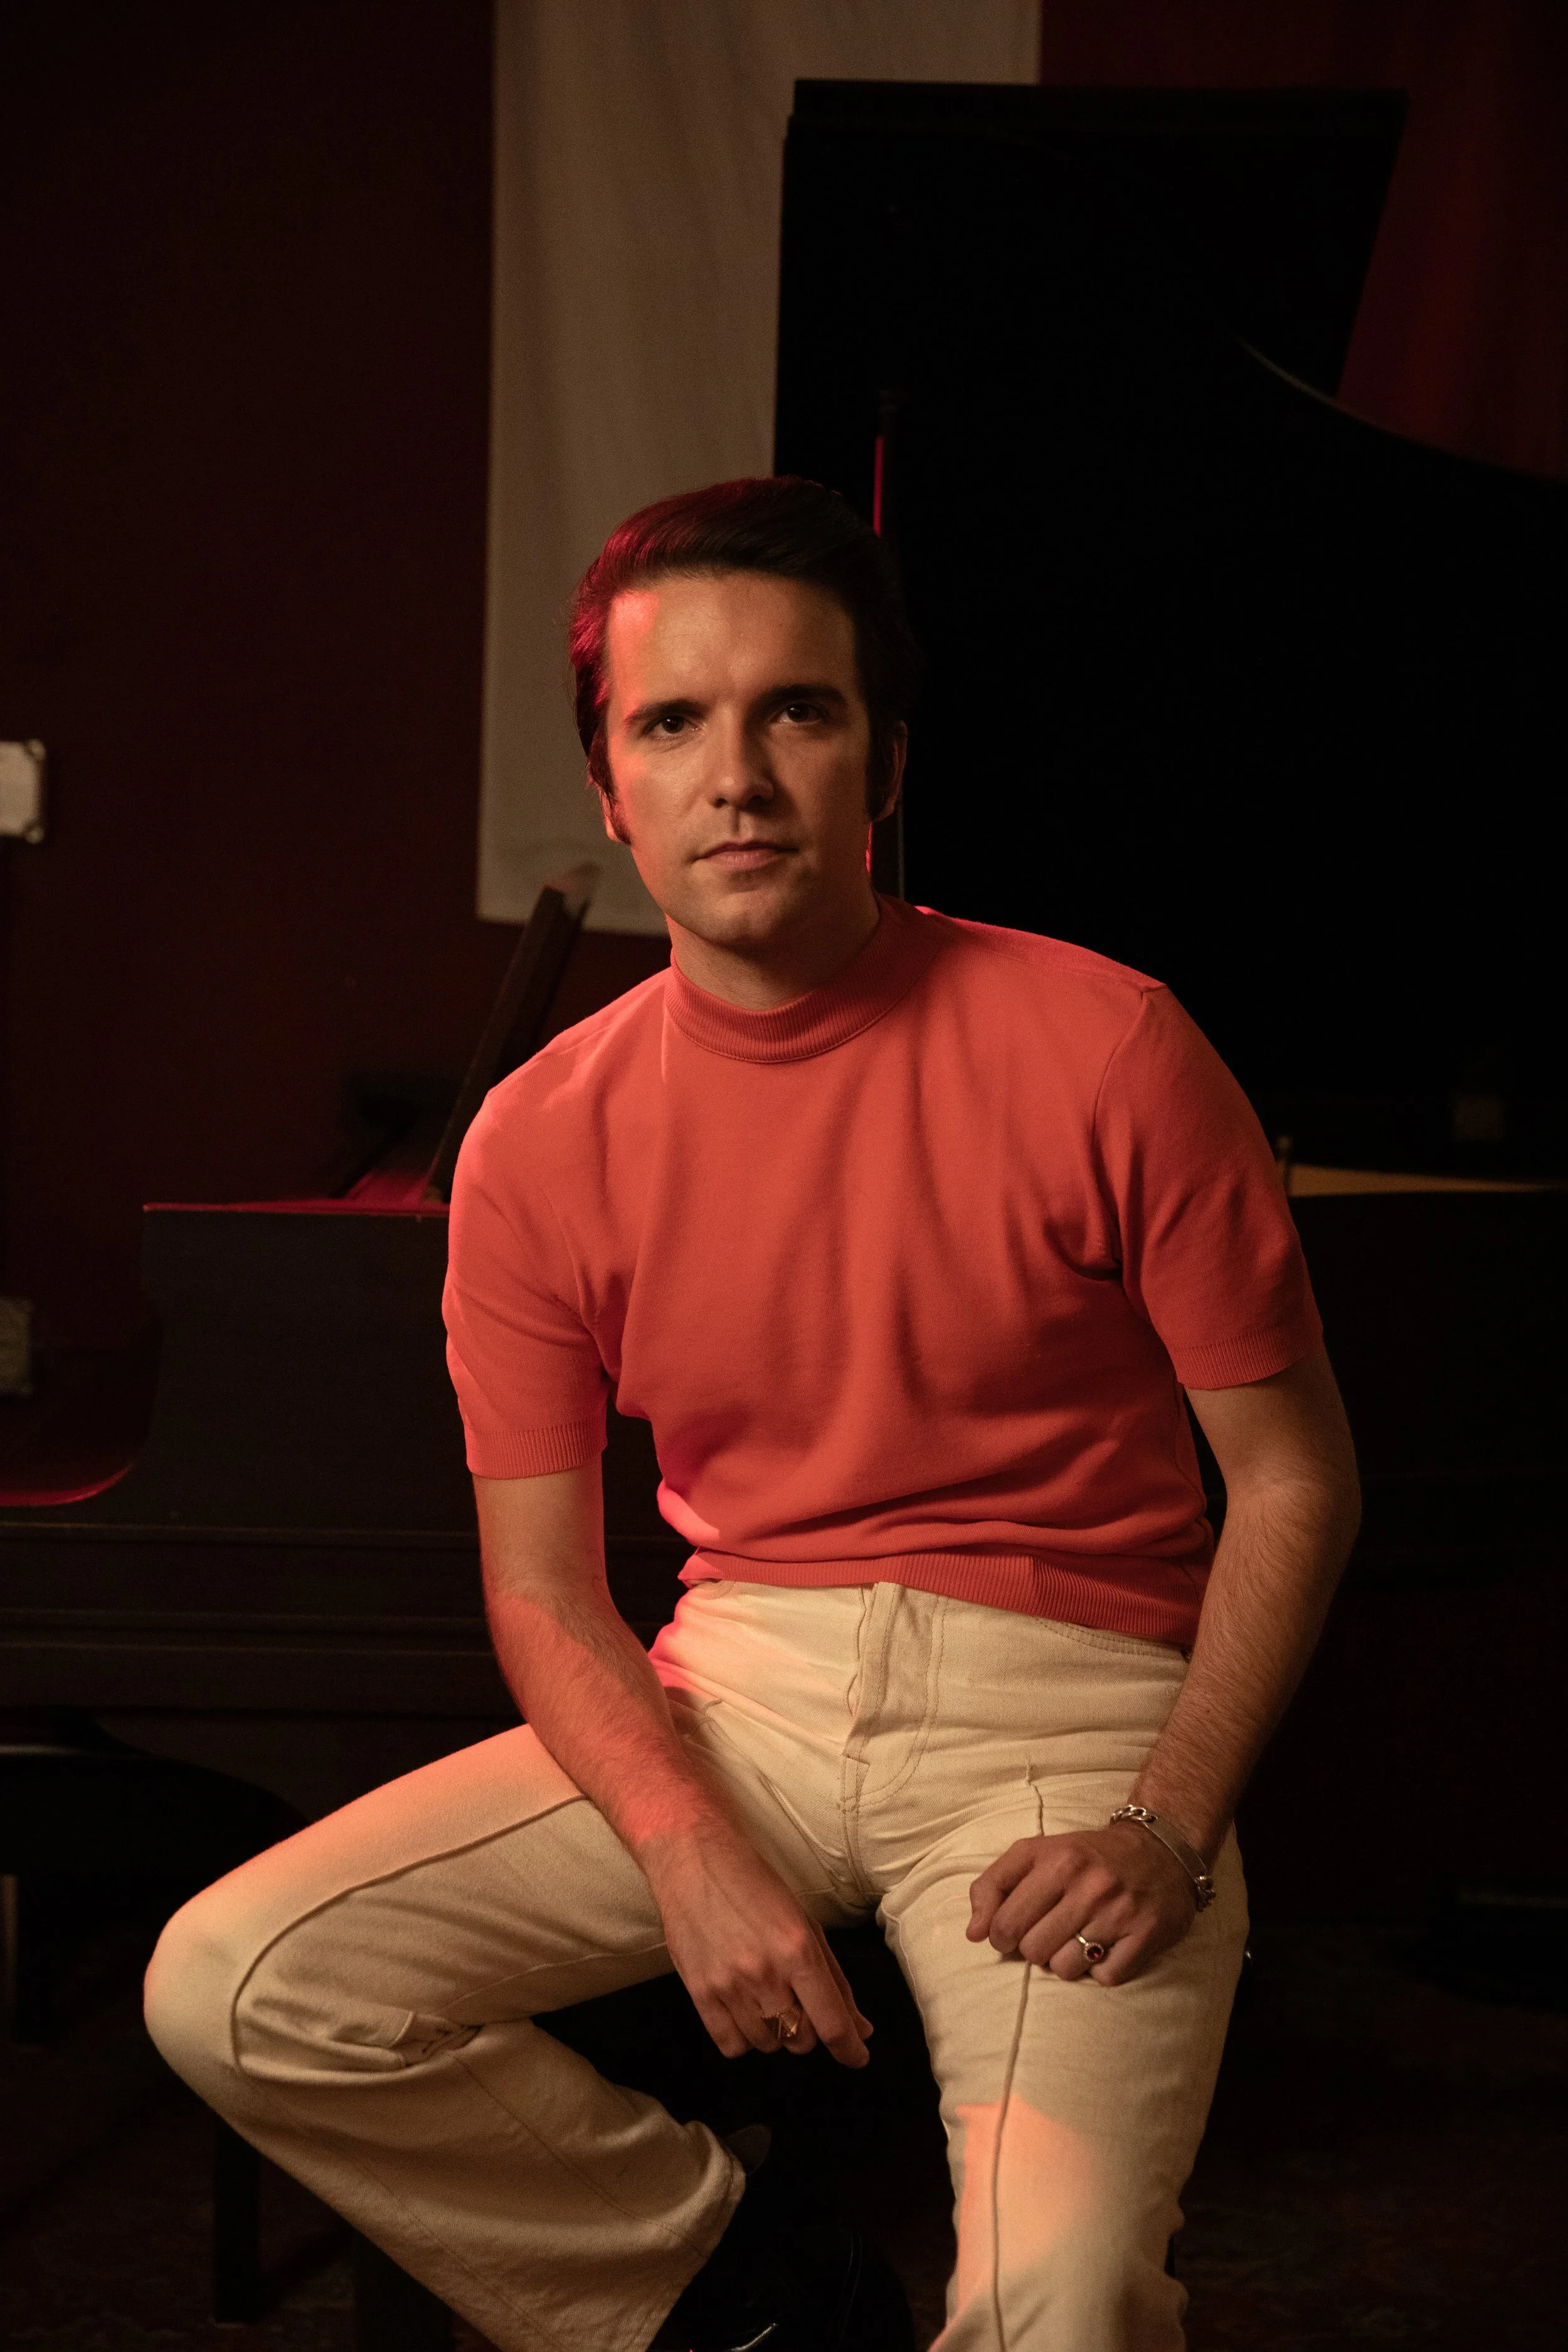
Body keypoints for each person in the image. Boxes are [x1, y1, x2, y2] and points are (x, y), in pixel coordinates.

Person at [146, 475, 1360, 2352]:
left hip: (1068, 1712)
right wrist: (688, 1847)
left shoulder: (1111, 1044)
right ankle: (732, 2289)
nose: (737, 777)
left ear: (885, 758)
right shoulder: (540, 1138)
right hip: (743, 1701)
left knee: (1060, 2301)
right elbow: (542, 1587)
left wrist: (1168, 1819)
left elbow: (1292, 1481)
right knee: (236, 1987)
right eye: (671, 724)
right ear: (608, 786)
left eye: (797, 709)